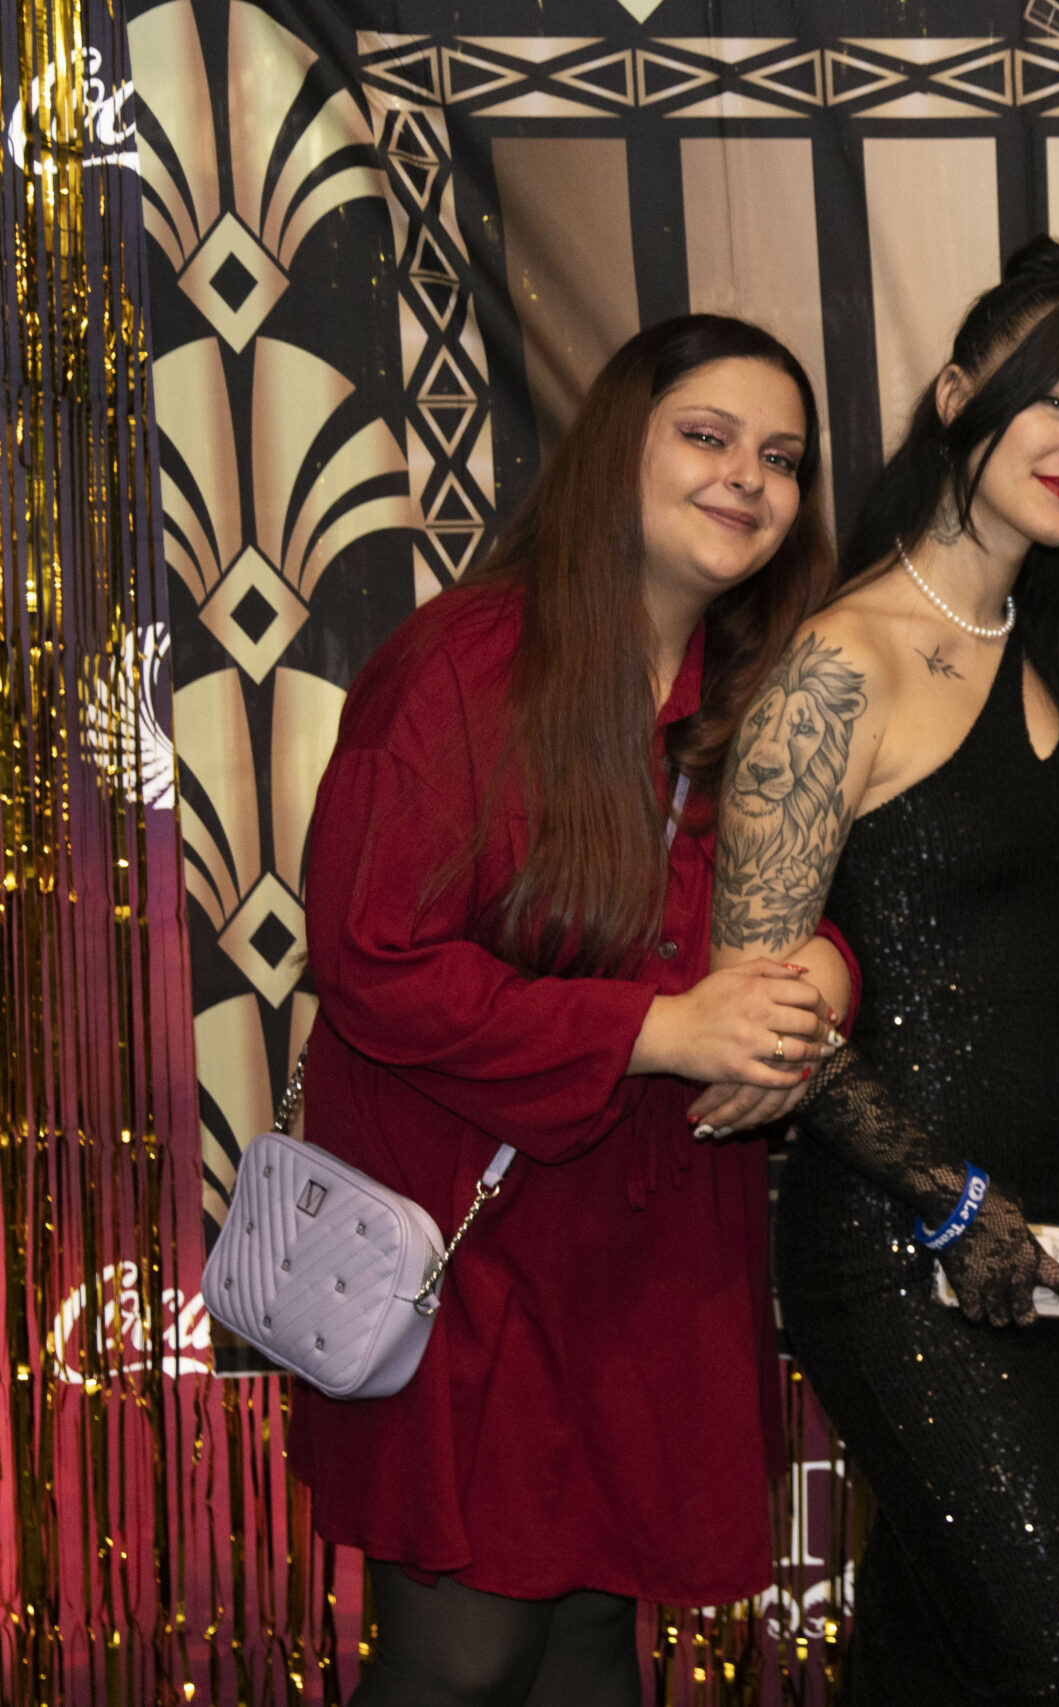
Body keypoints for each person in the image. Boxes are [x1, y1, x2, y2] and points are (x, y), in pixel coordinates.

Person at [293, 314, 857, 1707]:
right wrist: (658, 1033)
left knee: (596, 1640)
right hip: (467, 1241)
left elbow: (811, 904)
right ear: (617, 448)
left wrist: (824, 978)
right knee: (466, 1655)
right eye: (709, 437)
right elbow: (375, 959)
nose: (749, 478)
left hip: (649, 1251)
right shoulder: (465, 663)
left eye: (782, 458)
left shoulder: (763, 690)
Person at [708, 238, 1059, 1702]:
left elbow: (1034, 911)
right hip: (908, 1246)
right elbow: (757, 1014)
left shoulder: (1047, 648)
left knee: (937, 1669)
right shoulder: (843, 664)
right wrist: (948, 1199)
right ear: (960, 397)